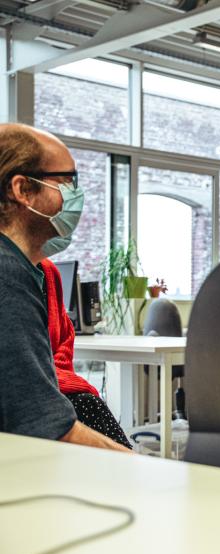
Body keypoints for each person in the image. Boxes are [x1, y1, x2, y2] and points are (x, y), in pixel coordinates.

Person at [0, 123, 129, 452]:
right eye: (66, 181)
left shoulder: (21, 267)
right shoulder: (7, 272)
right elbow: (43, 423)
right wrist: (148, 469)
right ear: (22, 189)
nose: (75, 194)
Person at [42, 259, 132, 448]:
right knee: (89, 404)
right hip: (33, 391)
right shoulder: (16, 276)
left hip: (49, 382)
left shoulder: (48, 272)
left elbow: (62, 336)